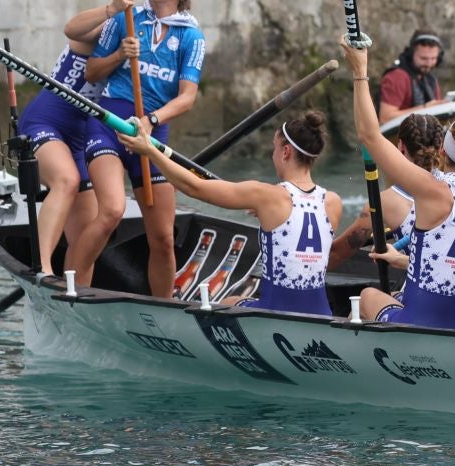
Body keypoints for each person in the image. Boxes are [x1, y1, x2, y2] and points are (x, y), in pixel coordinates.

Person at [72, 0, 204, 298]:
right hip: (111, 123)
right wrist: (120, 55)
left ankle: (165, 309)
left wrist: (151, 120)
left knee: (162, 236)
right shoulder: (127, 19)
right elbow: (91, 72)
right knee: (113, 210)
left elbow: (187, 97)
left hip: (151, 132)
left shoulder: (192, 36)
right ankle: (70, 292)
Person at [122, 109, 341, 316]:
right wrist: (267, 212)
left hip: (275, 313)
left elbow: (194, 187)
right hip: (321, 313)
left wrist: (150, 151)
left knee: (227, 303)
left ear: (286, 152)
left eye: (274, 149)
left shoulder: (265, 195)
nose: (272, 156)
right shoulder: (333, 202)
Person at [346, 39, 455, 329]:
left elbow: (369, 135)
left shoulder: (429, 189)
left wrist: (360, 71)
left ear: (442, 150)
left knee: (368, 295)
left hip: (421, 319)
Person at [16, 0, 131, 281]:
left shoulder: (139, 57)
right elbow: (71, 29)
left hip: (82, 138)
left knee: (87, 239)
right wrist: (112, 8)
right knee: (66, 180)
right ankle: (41, 268)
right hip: (45, 121)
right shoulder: (102, 34)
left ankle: (74, 296)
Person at [379, 31, 445, 123]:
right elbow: (385, 118)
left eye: (433, 58)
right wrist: (425, 109)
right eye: (423, 58)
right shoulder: (397, 76)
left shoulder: (431, 79)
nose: (429, 64)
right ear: (411, 54)